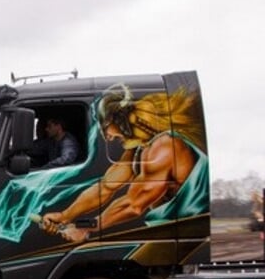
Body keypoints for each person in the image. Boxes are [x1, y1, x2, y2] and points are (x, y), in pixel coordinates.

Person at [38, 84, 204, 244]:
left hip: (191, 232)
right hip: (174, 229)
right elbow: (105, 187)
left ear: (119, 120)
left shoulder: (164, 147)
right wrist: (65, 215)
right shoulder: (139, 148)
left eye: (106, 128)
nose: (108, 137)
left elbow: (133, 205)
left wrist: (84, 228)